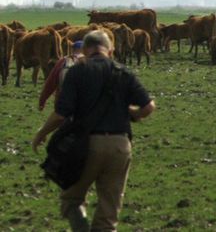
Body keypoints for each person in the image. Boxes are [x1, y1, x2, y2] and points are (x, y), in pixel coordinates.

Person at [32, 31, 156, 231]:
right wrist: (131, 113)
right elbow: (148, 107)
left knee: (71, 199)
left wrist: (41, 133)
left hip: (85, 145)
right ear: (111, 50)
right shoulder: (123, 72)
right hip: (119, 146)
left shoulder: (77, 72)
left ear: (85, 50)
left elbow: (61, 114)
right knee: (108, 214)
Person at [38, 40, 85, 111]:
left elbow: (50, 83)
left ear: (72, 49)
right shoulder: (90, 62)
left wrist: (42, 101)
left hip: (62, 103)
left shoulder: (63, 61)